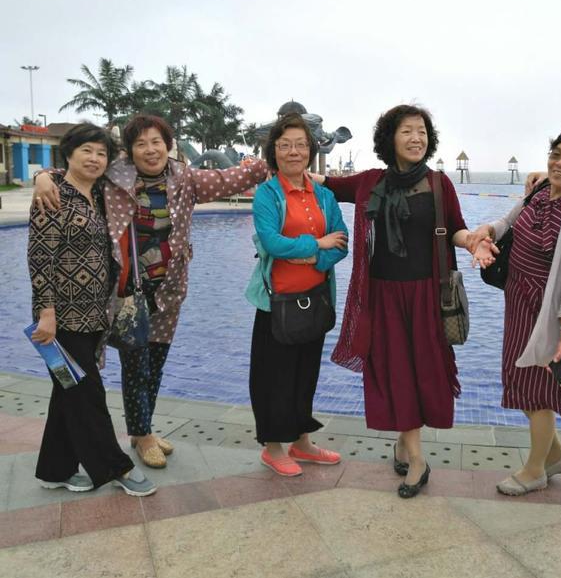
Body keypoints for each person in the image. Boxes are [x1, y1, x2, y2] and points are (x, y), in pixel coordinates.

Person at [33, 114, 270, 468]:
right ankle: (141, 436)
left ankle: (141, 429)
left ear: (168, 145)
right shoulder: (114, 177)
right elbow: (75, 171)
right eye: (141, 143)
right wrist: (42, 176)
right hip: (127, 292)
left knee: (154, 364)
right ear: (129, 150)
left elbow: (229, 178)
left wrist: (262, 164)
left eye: (156, 142)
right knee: (134, 365)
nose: (150, 150)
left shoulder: (185, 179)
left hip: (168, 290)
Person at [311, 104, 470, 498]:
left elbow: (456, 229)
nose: (416, 138)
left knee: (423, 373)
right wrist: (287, 164)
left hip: (426, 296)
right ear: (390, 139)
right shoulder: (370, 182)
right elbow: (325, 183)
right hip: (382, 296)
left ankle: (404, 443)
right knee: (396, 372)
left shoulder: (439, 184)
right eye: (407, 131)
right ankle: (416, 459)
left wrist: (473, 242)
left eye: (422, 131)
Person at [28, 124, 156, 497]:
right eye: (87, 150)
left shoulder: (97, 194)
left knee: (68, 393)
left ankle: (55, 469)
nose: (95, 159)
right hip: (62, 320)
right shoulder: (53, 196)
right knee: (88, 395)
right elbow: (40, 258)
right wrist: (46, 313)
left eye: (101, 153)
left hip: (93, 316)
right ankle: (116, 467)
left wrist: (43, 174)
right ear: (69, 153)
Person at [467, 130, 561, 495]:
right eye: (556, 154)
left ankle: (535, 470)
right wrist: (486, 231)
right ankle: (556, 455)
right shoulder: (538, 192)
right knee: (519, 380)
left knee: (540, 391)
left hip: (546, 313)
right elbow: (507, 222)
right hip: (517, 302)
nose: (559, 163)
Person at [245, 113, 348, 476]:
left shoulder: (324, 195)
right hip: (276, 303)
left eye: (301, 145)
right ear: (274, 150)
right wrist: (317, 244)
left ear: (310, 149)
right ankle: (273, 448)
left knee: (306, 373)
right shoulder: (267, 194)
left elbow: (342, 241)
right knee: (273, 376)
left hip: (314, 299)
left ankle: (301, 443)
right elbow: (272, 242)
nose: (294, 151)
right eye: (285, 145)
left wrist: (311, 256)